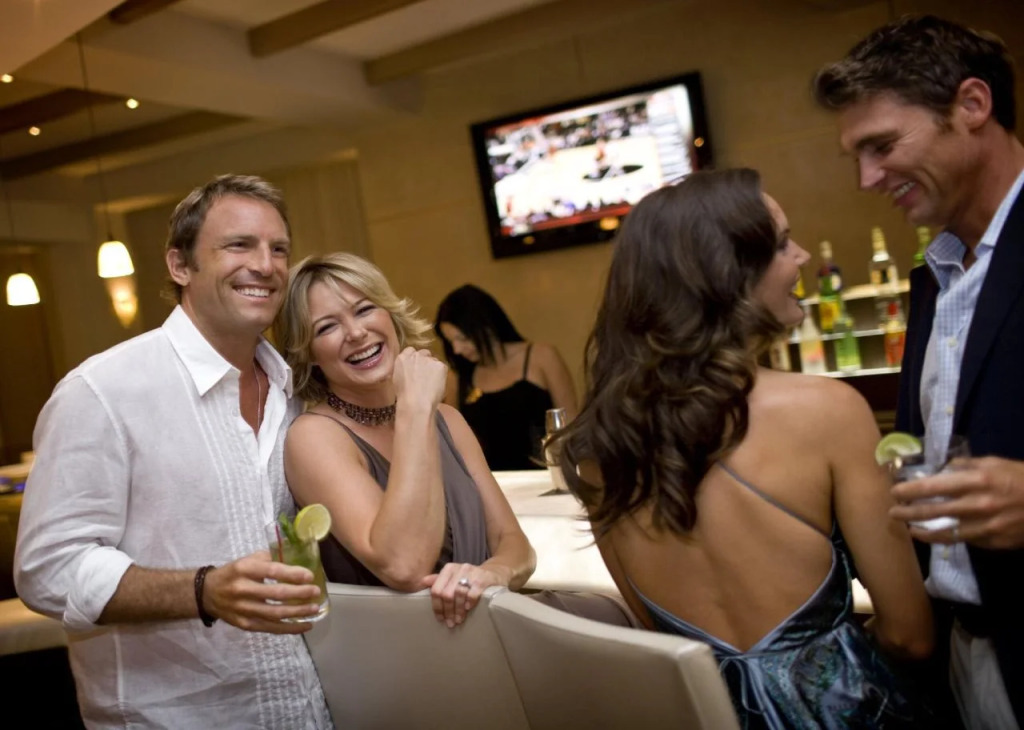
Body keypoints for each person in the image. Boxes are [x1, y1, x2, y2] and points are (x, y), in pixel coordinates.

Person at [549, 169, 934, 728]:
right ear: (726, 274)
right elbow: (910, 635)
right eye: (781, 244)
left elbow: (662, 640)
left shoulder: (596, 448)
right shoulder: (826, 411)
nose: (802, 257)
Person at [14, 175, 332, 728]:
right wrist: (202, 591)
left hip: (305, 710)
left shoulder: (297, 391)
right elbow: (48, 569)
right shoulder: (104, 391)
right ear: (180, 265)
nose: (265, 265)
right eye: (239, 245)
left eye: (278, 248)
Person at [814, 15, 1024, 729]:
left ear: (972, 105)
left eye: (882, 146)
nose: (867, 179)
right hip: (966, 656)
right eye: (857, 156)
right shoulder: (933, 278)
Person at [275, 254, 536, 628]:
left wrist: (490, 575)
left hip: (495, 622)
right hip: (411, 646)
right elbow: (404, 565)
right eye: (327, 327)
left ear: (390, 316)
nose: (356, 332)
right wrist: (415, 408)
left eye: (364, 309)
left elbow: (515, 543)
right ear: (308, 353)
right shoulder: (314, 437)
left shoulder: (448, 419)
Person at [434, 284, 578, 470]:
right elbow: (454, 440)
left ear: (487, 326)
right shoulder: (459, 377)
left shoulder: (541, 357)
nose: (457, 349)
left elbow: (570, 422)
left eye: (462, 339)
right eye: (451, 342)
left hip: (544, 473)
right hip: (490, 479)